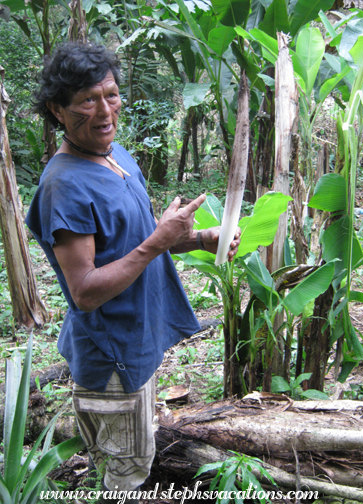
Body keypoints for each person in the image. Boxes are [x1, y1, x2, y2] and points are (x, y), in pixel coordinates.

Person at [26, 42, 240, 502]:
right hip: (111, 357)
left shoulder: (117, 156)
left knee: (130, 451)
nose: (105, 110)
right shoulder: (63, 187)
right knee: (127, 471)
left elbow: (138, 241)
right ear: (57, 110)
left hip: (137, 338)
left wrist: (201, 238)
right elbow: (84, 291)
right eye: (87, 100)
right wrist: (158, 241)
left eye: (112, 94)